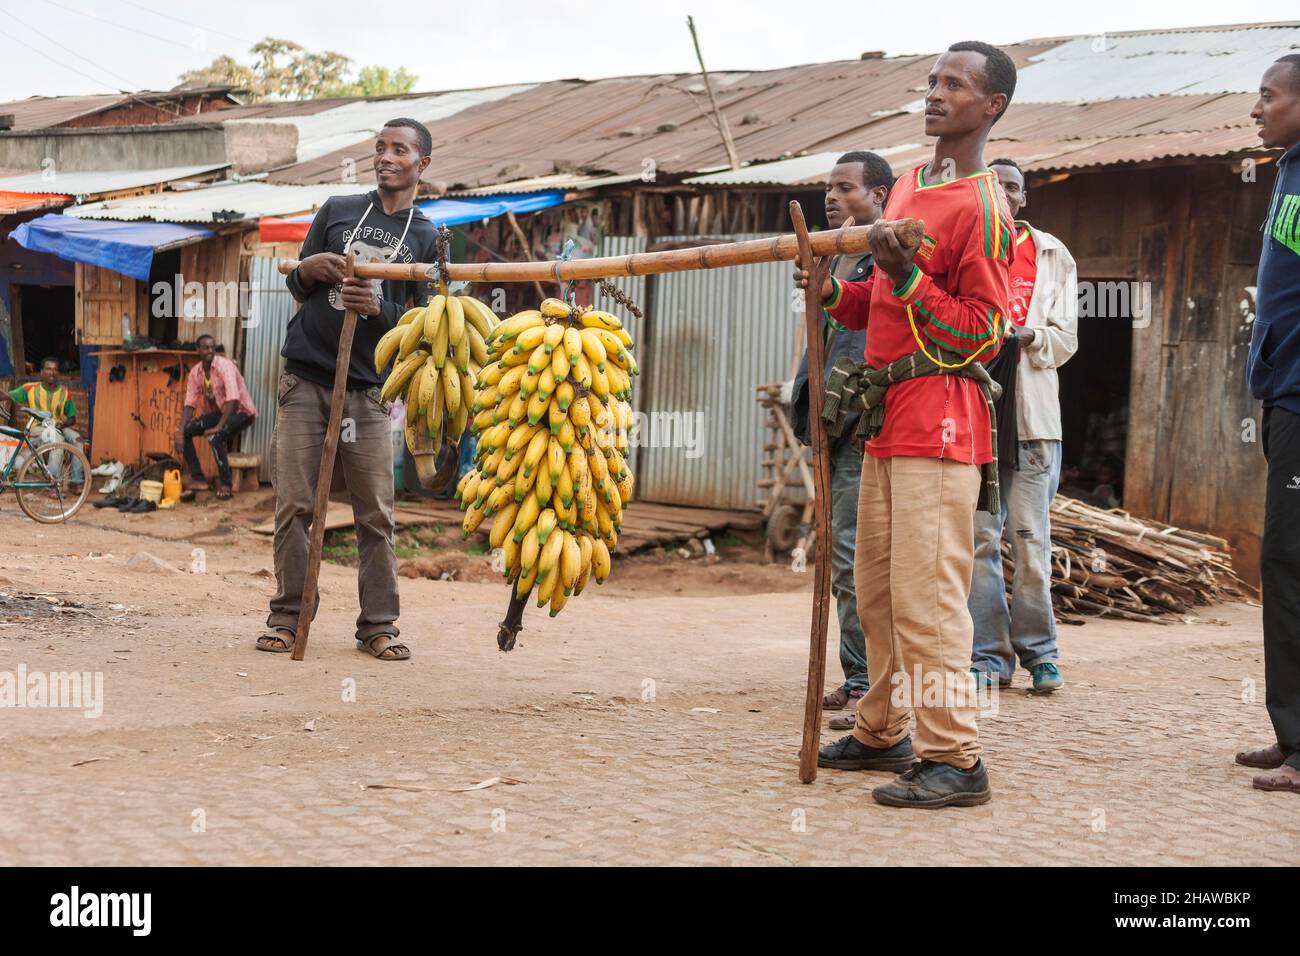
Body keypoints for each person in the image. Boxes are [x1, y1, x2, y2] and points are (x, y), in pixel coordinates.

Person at [798, 40, 1017, 808]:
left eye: (954, 86)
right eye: (932, 81)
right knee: (881, 591)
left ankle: (955, 758)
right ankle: (882, 727)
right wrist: (831, 290)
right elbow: (875, 304)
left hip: (942, 421)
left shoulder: (988, 209)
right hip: (886, 416)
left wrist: (907, 274)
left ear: (990, 107)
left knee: (928, 599)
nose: (935, 94)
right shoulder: (912, 184)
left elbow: (983, 334)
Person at [257, 118, 439, 662]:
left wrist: (380, 309)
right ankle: (288, 617)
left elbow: (425, 328)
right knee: (293, 504)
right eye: (379, 147)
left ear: (422, 164)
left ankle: (378, 626)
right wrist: (310, 269)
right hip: (306, 376)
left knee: (375, 513)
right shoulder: (337, 210)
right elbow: (295, 285)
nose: (385, 156)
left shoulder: (429, 237)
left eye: (398, 150)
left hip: (368, 390)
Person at [790, 151, 893, 731]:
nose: (831, 197)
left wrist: (840, 423)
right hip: (834, 430)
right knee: (841, 558)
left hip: (860, 429)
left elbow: (859, 356)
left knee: (857, 560)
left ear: (878, 196)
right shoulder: (838, 261)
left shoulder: (881, 261)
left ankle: (866, 685)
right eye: (828, 187)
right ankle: (858, 675)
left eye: (845, 187)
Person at [967, 158, 1078, 694]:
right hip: (973, 420)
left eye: (1013, 188)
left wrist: (1027, 335)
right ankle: (989, 658)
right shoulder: (966, 246)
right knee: (979, 542)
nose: (1005, 196)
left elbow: (1066, 339)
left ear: (1024, 197)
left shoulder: (1052, 253)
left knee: (1030, 542)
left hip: (1032, 419)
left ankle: (1041, 655)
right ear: (982, 195)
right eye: (996, 187)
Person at [1238, 54, 1300, 795]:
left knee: (1288, 564)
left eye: (1269, 97)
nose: (1257, 108)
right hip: (1285, 397)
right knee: (1284, 566)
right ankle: (1292, 732)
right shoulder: (1289, 169)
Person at [176, 335, 257, 499]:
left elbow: (233, 399)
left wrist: (218, 427)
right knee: (186, 431)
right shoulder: (196, 372)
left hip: (242, 412)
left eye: (212, 347)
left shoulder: (224, 366)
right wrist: (179, 431)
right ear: (198, 350)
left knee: (215, 438)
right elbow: (189, 404)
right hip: (222, 412)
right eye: (206, 347)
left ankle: (226, 485)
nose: (210, 351)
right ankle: (199, 479)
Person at [9, 357, 84, 485]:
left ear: (58, 373)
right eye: (48, 369)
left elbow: (72, 418)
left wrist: (63, 423)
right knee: (57, 439)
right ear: (42, 372)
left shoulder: (65, 393)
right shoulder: (29, 389)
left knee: (77, 439)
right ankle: (53, 484)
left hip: (58, 426)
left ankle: (75, 482)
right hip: (37, 429)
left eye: (55, 369)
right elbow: (8, 395)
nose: (52, 372)